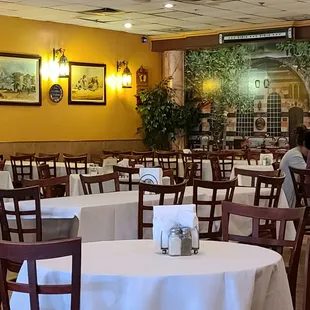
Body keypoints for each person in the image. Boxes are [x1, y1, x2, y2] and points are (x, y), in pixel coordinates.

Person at [280, 125, 310, 208]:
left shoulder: (295, 152)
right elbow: (307, 173)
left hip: (291, 195)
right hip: (287, 199)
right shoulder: (295, 156)